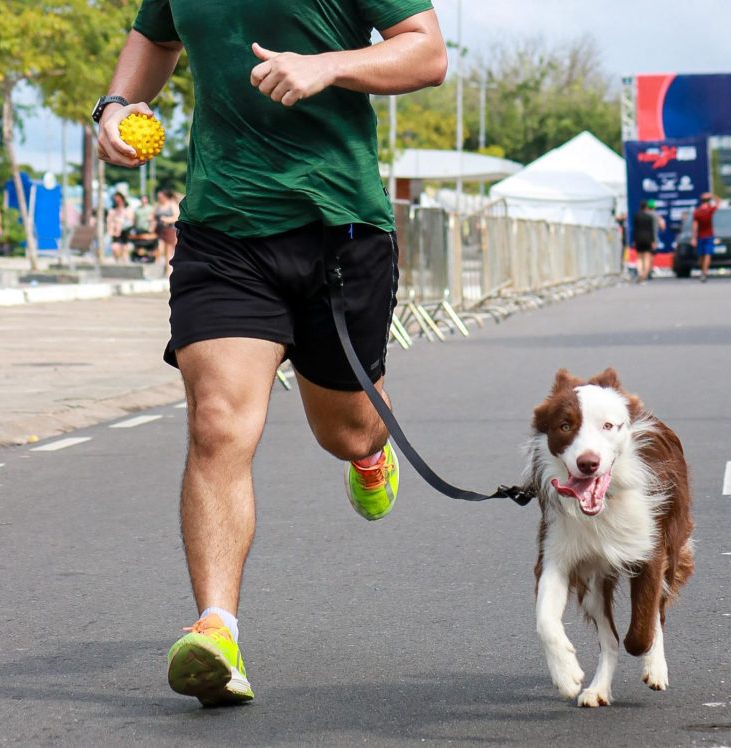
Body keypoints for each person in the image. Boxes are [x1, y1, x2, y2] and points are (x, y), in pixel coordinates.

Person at [95, 0, 447, 706]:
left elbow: (427, 52)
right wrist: (114, 105)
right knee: (218, 424)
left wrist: (328, 67)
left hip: (338, 225)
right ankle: (216, 630)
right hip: (223, 227)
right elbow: (154, 37)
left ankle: (368, 451)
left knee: (346, 430)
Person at [631, 199, 664, 283]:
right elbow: (653, 229)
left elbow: (634, 229)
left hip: (638, 238)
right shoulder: (652, 216)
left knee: (639, 257)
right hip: (649, 239)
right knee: (647, 258)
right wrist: (653, 241)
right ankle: (645, 275)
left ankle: (640, 272)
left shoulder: (636, 216)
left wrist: (634, 240)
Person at [691, 192, 720, 282]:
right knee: (703, 256)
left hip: (706, 236)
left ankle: (704, 273)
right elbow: (719, 202)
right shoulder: (704, 211)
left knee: (705, 255)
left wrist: (693, 237)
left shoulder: (701, 211)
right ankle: (703, 271)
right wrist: (712, 195)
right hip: (703, 236)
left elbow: (694, 225)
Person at [153, 188, 179, 275]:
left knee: (168, 251)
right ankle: (162, 268)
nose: (159, 198)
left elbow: (176, 217)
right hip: (159, 230)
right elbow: (152, 216)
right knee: (159, 248)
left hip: (169, 230)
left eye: (160, 197)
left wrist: (166, 219)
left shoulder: (172, 205)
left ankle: (168, 271)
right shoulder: (157, 205)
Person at [106, 192, 134, 262]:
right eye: (116, 200)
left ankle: (124, 262)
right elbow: (109, 220)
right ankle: (117, 261)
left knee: (125, 249)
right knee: (115, 248)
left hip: (125, 231)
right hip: (115, 231)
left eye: (119, 200)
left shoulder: (128, 209)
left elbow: (131, 220)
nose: (118, 202)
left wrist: (122, 212)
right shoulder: (112, 210)